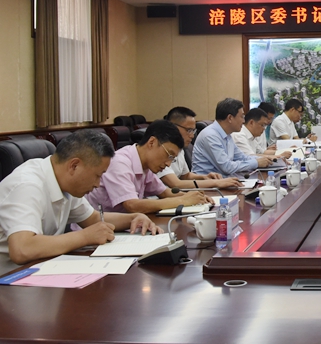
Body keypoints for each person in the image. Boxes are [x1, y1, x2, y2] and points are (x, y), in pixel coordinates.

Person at [0, 130, 162, 265]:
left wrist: (133, 218)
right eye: (97, 176)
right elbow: (22, 249)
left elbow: (93, 219)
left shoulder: (64, 182)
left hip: (39, 268)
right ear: (74, 165)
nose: (98, 184)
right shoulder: (27, 185)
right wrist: (84, 236)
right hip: (9, 277)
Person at [86, 120, 210, 214]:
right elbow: (132, 205)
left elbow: (165, 193)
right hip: (98, 230)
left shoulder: (146, 165)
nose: (168, 164)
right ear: (152, 142)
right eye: (169, 155)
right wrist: (182, 201)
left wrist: (195, 198)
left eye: (172, 159)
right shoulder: (120, 162)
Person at [158, 106, 241, 190]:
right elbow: (176, 184)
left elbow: (185, 176)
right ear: (173, 127)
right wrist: (215, 183)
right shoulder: (161, 149)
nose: (192, 135)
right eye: (189, 130)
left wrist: (204, 177)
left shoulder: (180, 149)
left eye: (193, 131)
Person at [193, 98, 273, 177]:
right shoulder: (210, 135)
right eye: (242, 117)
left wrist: (264, 159)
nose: (243, 121)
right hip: (208, 183)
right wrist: (256, 162)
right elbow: (227, 167)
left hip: (224, 180)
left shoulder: (227, 135)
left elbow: (242, 157)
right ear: (230, 118)